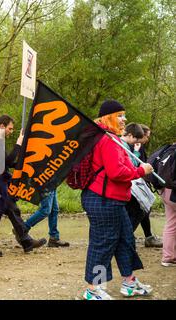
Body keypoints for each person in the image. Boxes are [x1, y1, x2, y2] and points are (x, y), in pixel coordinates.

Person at [81, 99, 154, 300]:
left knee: (125, 240)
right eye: (120, 115)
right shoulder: (107, 139)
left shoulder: (111, 137)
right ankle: (92, 289)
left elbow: (120, 167)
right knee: (103, 244)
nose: (124, 119)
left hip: (113, 199)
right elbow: (116, 172)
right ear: (108, 117)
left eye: (124, 115)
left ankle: (129, 283)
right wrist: (141, 171)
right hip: (102, 199)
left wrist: (137, 169)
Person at [0, 115, 46, 255]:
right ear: (2, 126)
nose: (11, 131)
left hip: (0, 183)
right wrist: (19, 144)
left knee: (5, 212)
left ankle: (23, 240)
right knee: (0, 213)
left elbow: (9, 163)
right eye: (10, 128)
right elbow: (7, 162)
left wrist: (27, 164)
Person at [129, 125, 162, 248]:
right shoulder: (135, 146)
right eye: (146, 136)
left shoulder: (138, 146)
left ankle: (147, 236)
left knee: (143, 210)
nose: (147, 139)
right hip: (135, 183)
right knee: (141, 210)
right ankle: (129, 236)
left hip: (138, 181)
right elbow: (137, 163)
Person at [121, 123, 148, 231]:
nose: (136, 143)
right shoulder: (124, 145)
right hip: (126, 186)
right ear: (131, 135)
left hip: (125, 188)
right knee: (138, 210)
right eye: (136, 139)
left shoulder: (123, 144)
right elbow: (130, 165)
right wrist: (136, 152)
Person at [160, 141, 176, 267]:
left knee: (171, 223)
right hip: (174, 191)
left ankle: (168, 257)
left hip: (166, 190)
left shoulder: (170, 149)